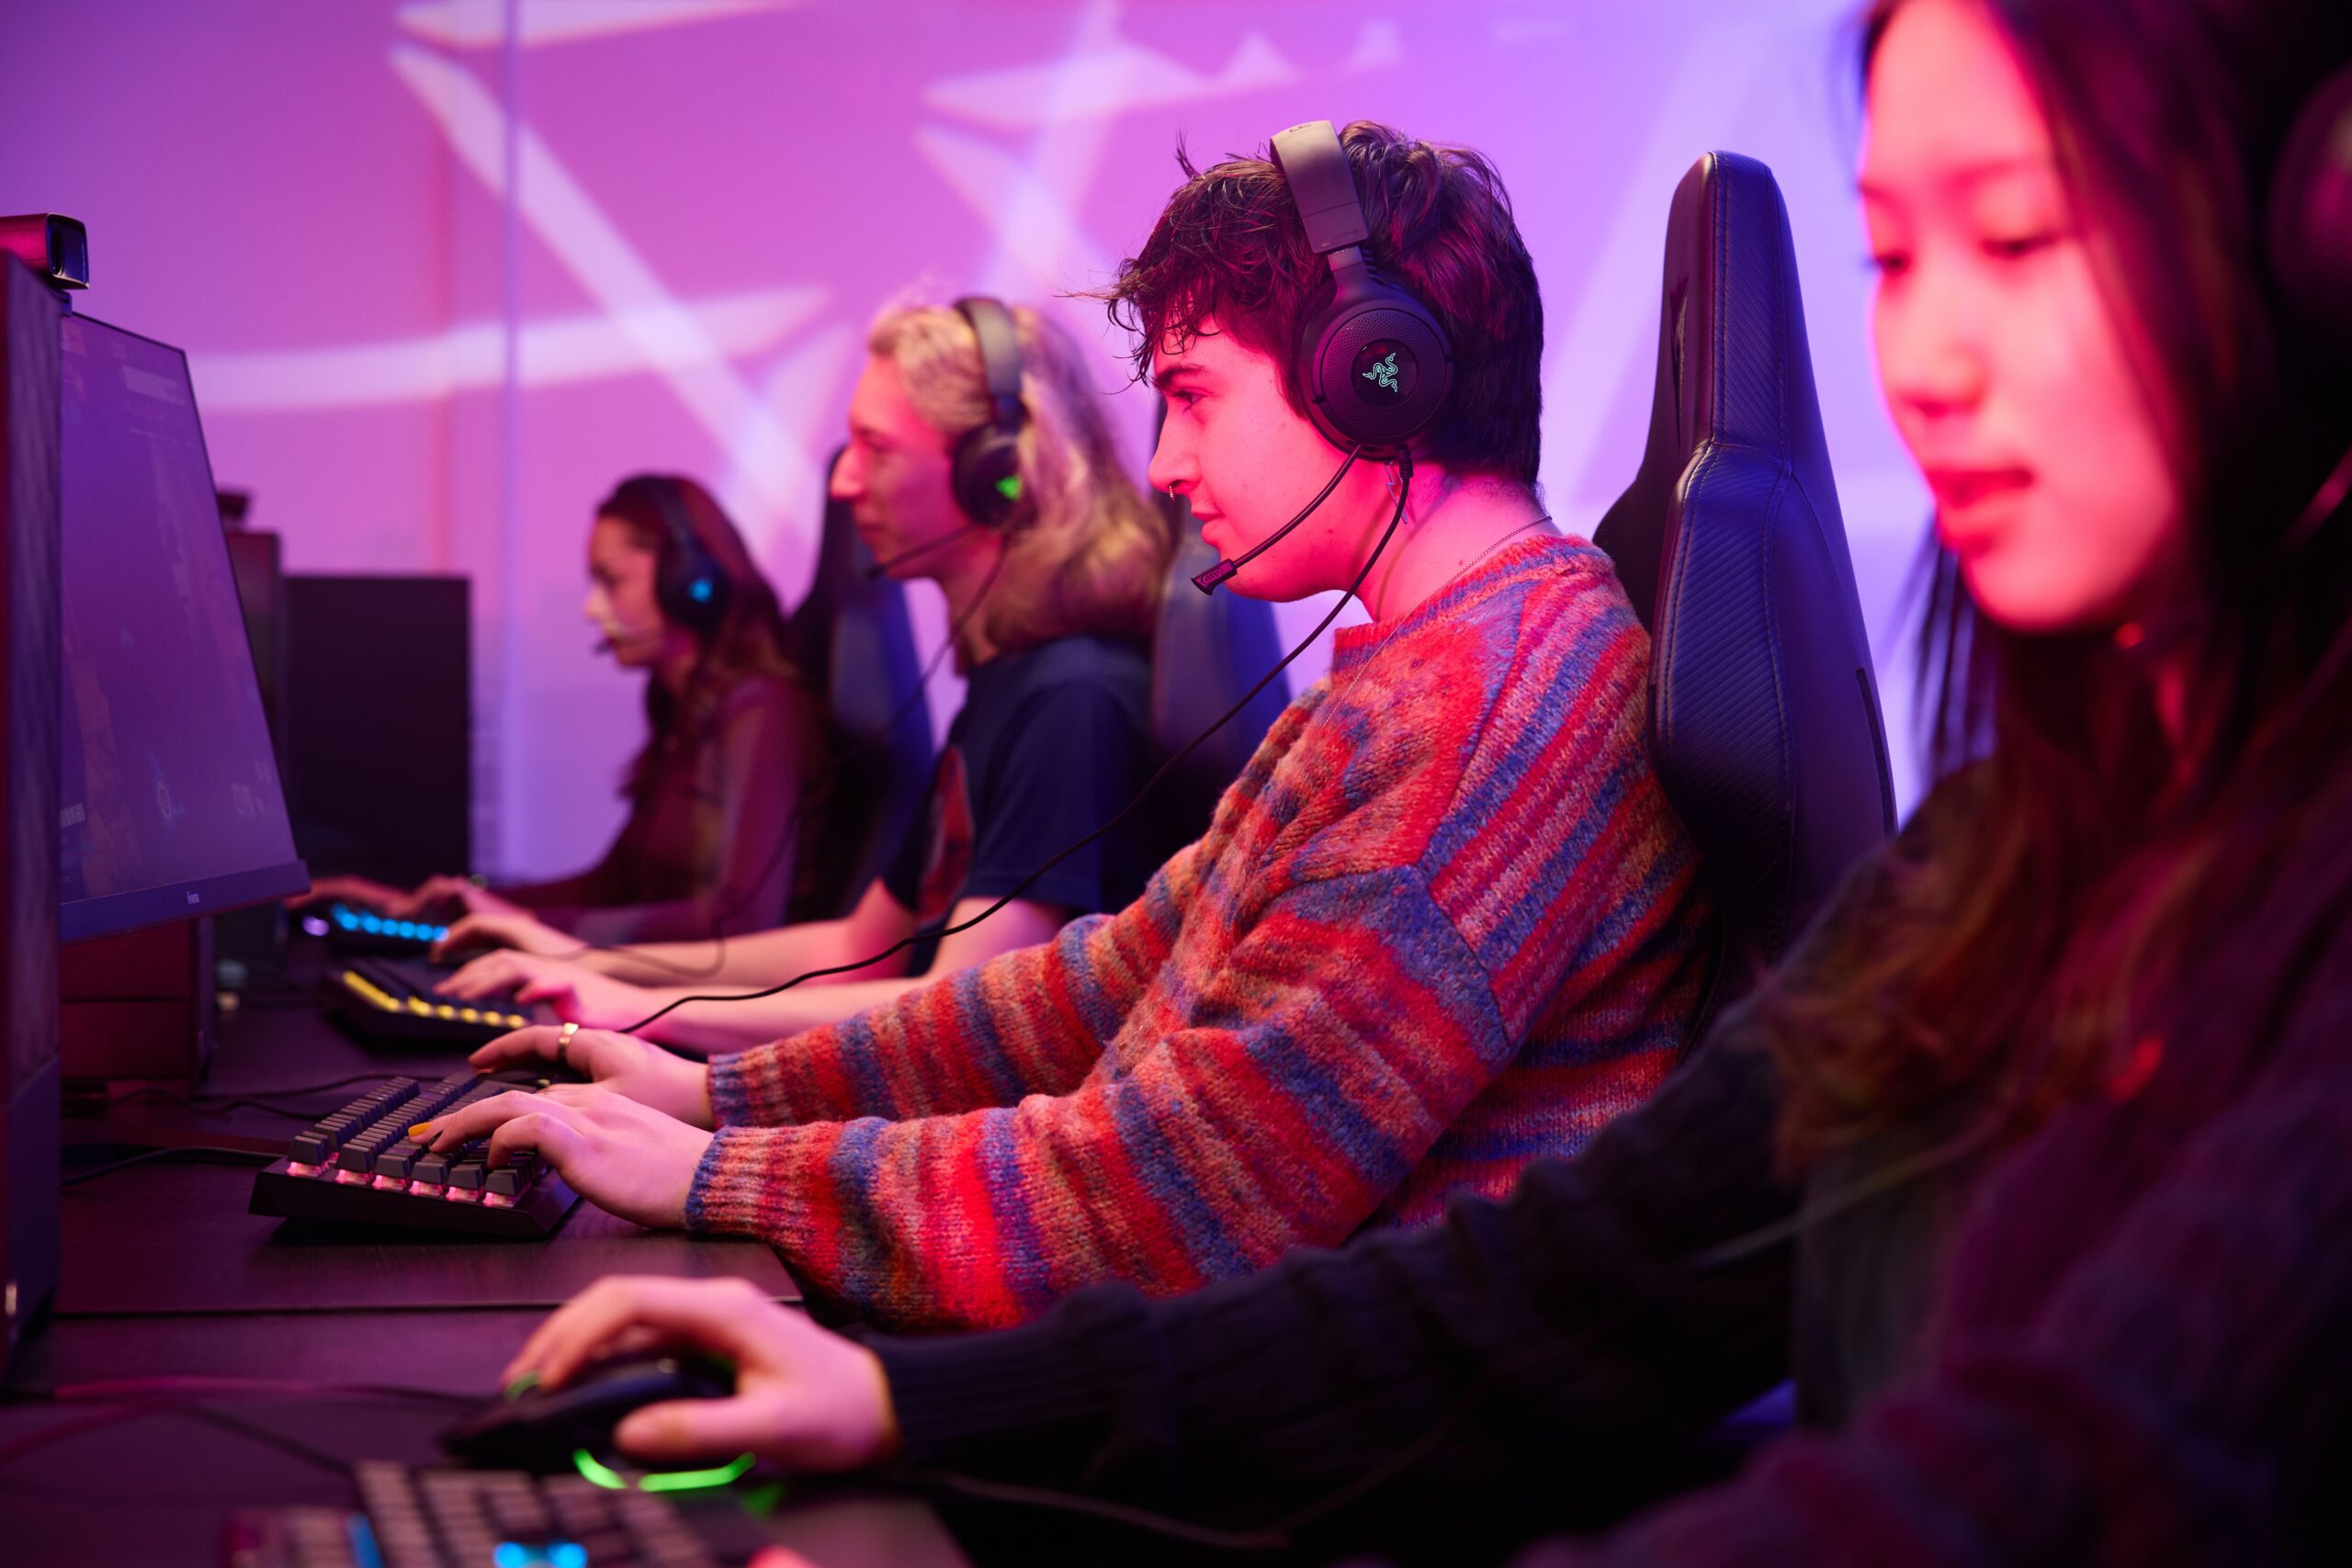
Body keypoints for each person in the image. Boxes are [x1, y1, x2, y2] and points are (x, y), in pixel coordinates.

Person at [481, 0, 2352, 1559]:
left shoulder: (1505, 700)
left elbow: (2042, 1472)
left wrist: (734, 1168)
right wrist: (874, 1351)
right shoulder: (2000, 857)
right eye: (1894, 258)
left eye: (2015, 238)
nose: (1922, 356)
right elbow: (1544, 1263)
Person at [413, 121, 1719, 1332]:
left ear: (1377, 377)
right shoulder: (1423, 675)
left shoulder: (1482, 718)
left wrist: (721, 1172)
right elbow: (1094, 986)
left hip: (1326, 1423)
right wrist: (712, 1092)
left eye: (1194, 395)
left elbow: (1177, 1204)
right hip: (1224, 1354)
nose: (1162, 464)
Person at [429, 299, 1173, 1052]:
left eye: (875, 448)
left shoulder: (1072, 701)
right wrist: (587, 964)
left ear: (997, 472)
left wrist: (647, 1010)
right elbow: (853, 947)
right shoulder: (1005, 686)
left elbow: (962, 1013)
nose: (844, 483)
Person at [303, 475, 825, 945]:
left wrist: (530, 927)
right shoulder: (684, 717)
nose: (590, 609)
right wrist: (453, 902)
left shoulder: (766, 712)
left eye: (611, 581)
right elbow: (610, 888)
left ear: (691, 582)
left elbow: (740, 921)